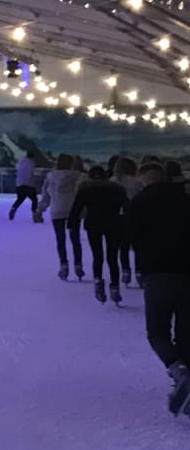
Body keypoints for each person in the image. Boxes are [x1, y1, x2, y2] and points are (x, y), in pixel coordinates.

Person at [122, 163, 190, 416]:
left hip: (156, 274)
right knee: (186, 335)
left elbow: (126, 237)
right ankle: (187, 387)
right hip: (187, 273)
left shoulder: (138, 204)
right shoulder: (186, 201)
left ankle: (177, 370)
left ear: (144, 181)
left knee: (157, 331)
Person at [70, 165, 128, 305]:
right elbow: (128, 206)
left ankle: (98, 281)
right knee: (112, 257)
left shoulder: (85, 189)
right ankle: (115, 287)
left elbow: (76, 208)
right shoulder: (117, 189)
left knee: (97, 255)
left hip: (93, 224)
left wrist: (72, 224)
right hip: (114, 224)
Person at [38, 153, 84, 280]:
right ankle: (78, 265)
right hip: (73, 211)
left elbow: (46, 196)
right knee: (75, 239)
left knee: (60, 239)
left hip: (57, 210)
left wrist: (40, 209)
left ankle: (64, 265)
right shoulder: (78, 176)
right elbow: (83, 194)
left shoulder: (50, 177)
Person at [113, 157, 143, 287]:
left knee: (123, 246)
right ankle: (139, 271)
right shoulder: (138, 182)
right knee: (138, 245)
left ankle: (125, 270)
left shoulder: (113, 181)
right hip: (135, 215)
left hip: (118, 216)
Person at [8, 151, 41, 222]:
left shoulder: (21, 162)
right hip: (29, 184)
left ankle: (13, 208)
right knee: (34, 199)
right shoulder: (31, 163)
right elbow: (31, 172)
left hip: (19, 184)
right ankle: (35, 214)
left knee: (20, 199)